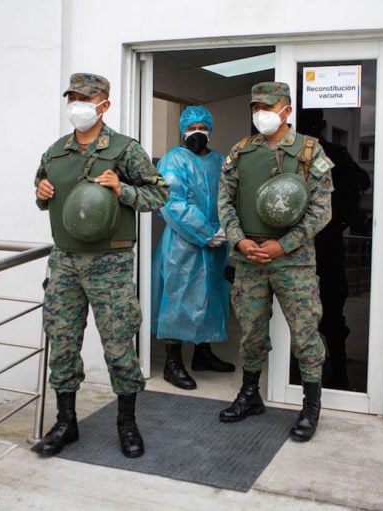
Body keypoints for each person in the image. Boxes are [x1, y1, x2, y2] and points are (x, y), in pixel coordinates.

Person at [32, 73, 169, 458]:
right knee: (62, 342)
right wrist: (41, 193)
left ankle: (127, 424)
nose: (77, 105)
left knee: (119, 344)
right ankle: (65, 423)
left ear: (104, 105)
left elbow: (159, 194)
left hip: (109, 263)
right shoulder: (56, 151)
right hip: (65, 262)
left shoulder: (125, 150)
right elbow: (42, 190)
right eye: (72, 98)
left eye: (85, 99)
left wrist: (121, 189)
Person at [217, 82, 333, 441]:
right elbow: (225, 201)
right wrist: (239, 239)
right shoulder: (241, 151)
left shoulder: (309, 151)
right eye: (255, 107)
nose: (260, 115)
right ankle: (250, 395)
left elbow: (320, 210)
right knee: (251, 331)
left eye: (267, 107)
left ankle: (310, 407)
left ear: (286, 111)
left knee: (305, 333)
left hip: (292, 261)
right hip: (249, 258)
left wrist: (284, 246)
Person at [151, 105, 234, 391]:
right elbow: (173, 203)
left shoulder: (221, 161)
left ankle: (203, 354)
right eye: (191, 126)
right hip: (183, 245)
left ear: (210, 130)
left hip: (217, 242)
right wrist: (205, 232)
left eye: (202, 126)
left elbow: (230, 197)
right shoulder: (174, 160)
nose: (197, 132)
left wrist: (223, 232)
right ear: (182, 129)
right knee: (179, 299)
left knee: (212, 297)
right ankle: (172, 363)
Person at [298, 108, 371, 390]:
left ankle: (337, 370)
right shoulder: (293, 155)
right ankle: (319, 370)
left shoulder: (335, 156)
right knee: (306, 313)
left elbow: (358, 186)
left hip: (324, 248)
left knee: (329, 313)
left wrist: (332, 227)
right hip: (304, 247)